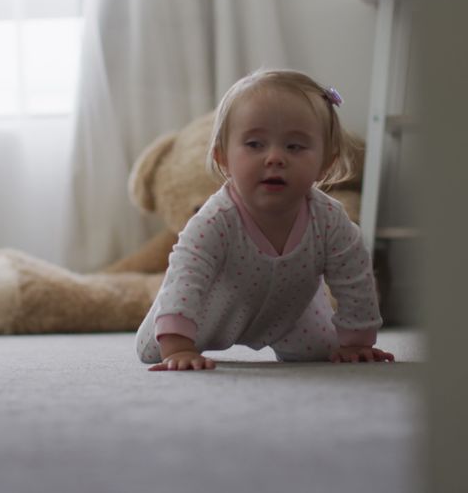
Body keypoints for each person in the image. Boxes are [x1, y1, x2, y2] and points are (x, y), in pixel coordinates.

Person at [135, 69, 395, 371]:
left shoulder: (329, 220)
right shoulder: (215, 220)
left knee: (327, 352)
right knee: (151, 349)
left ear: (326, 164)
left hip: (292, 313)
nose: (275, 158)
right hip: (213, 309)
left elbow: (354, 276)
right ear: (223, 158)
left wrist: (358, 341)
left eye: (294, 147)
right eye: (255, 145)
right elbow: (186, 275)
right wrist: (177, 343)